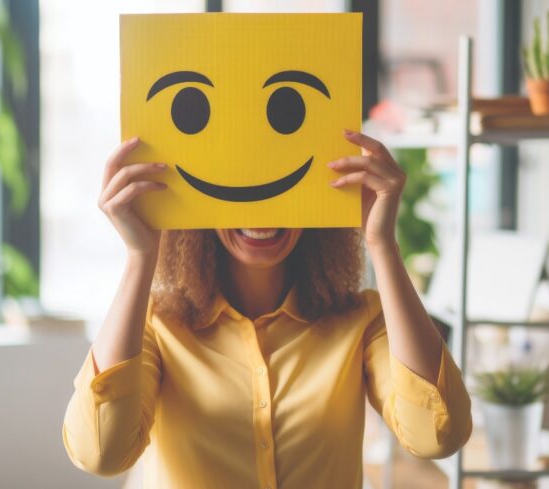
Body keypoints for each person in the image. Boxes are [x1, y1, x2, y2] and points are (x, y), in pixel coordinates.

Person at [62, 130, 472, 489]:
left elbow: (437, 434)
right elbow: (100, 453)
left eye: (279, 187)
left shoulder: (361, 320)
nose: (261, 211)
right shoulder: (155, 325)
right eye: (240, 188)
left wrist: (382, 243)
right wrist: (139, 255)